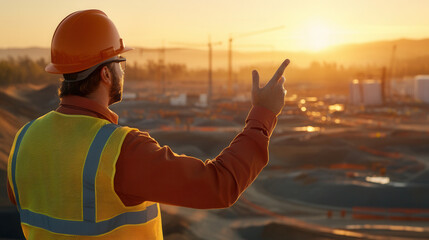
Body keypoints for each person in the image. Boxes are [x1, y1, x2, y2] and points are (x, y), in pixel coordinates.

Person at [7, 9, 290, 239]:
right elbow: (220, 185)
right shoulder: (121, 150)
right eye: (121, 62)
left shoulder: (23, 141)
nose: (123, 70)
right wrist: (264, 113)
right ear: (106, 74)